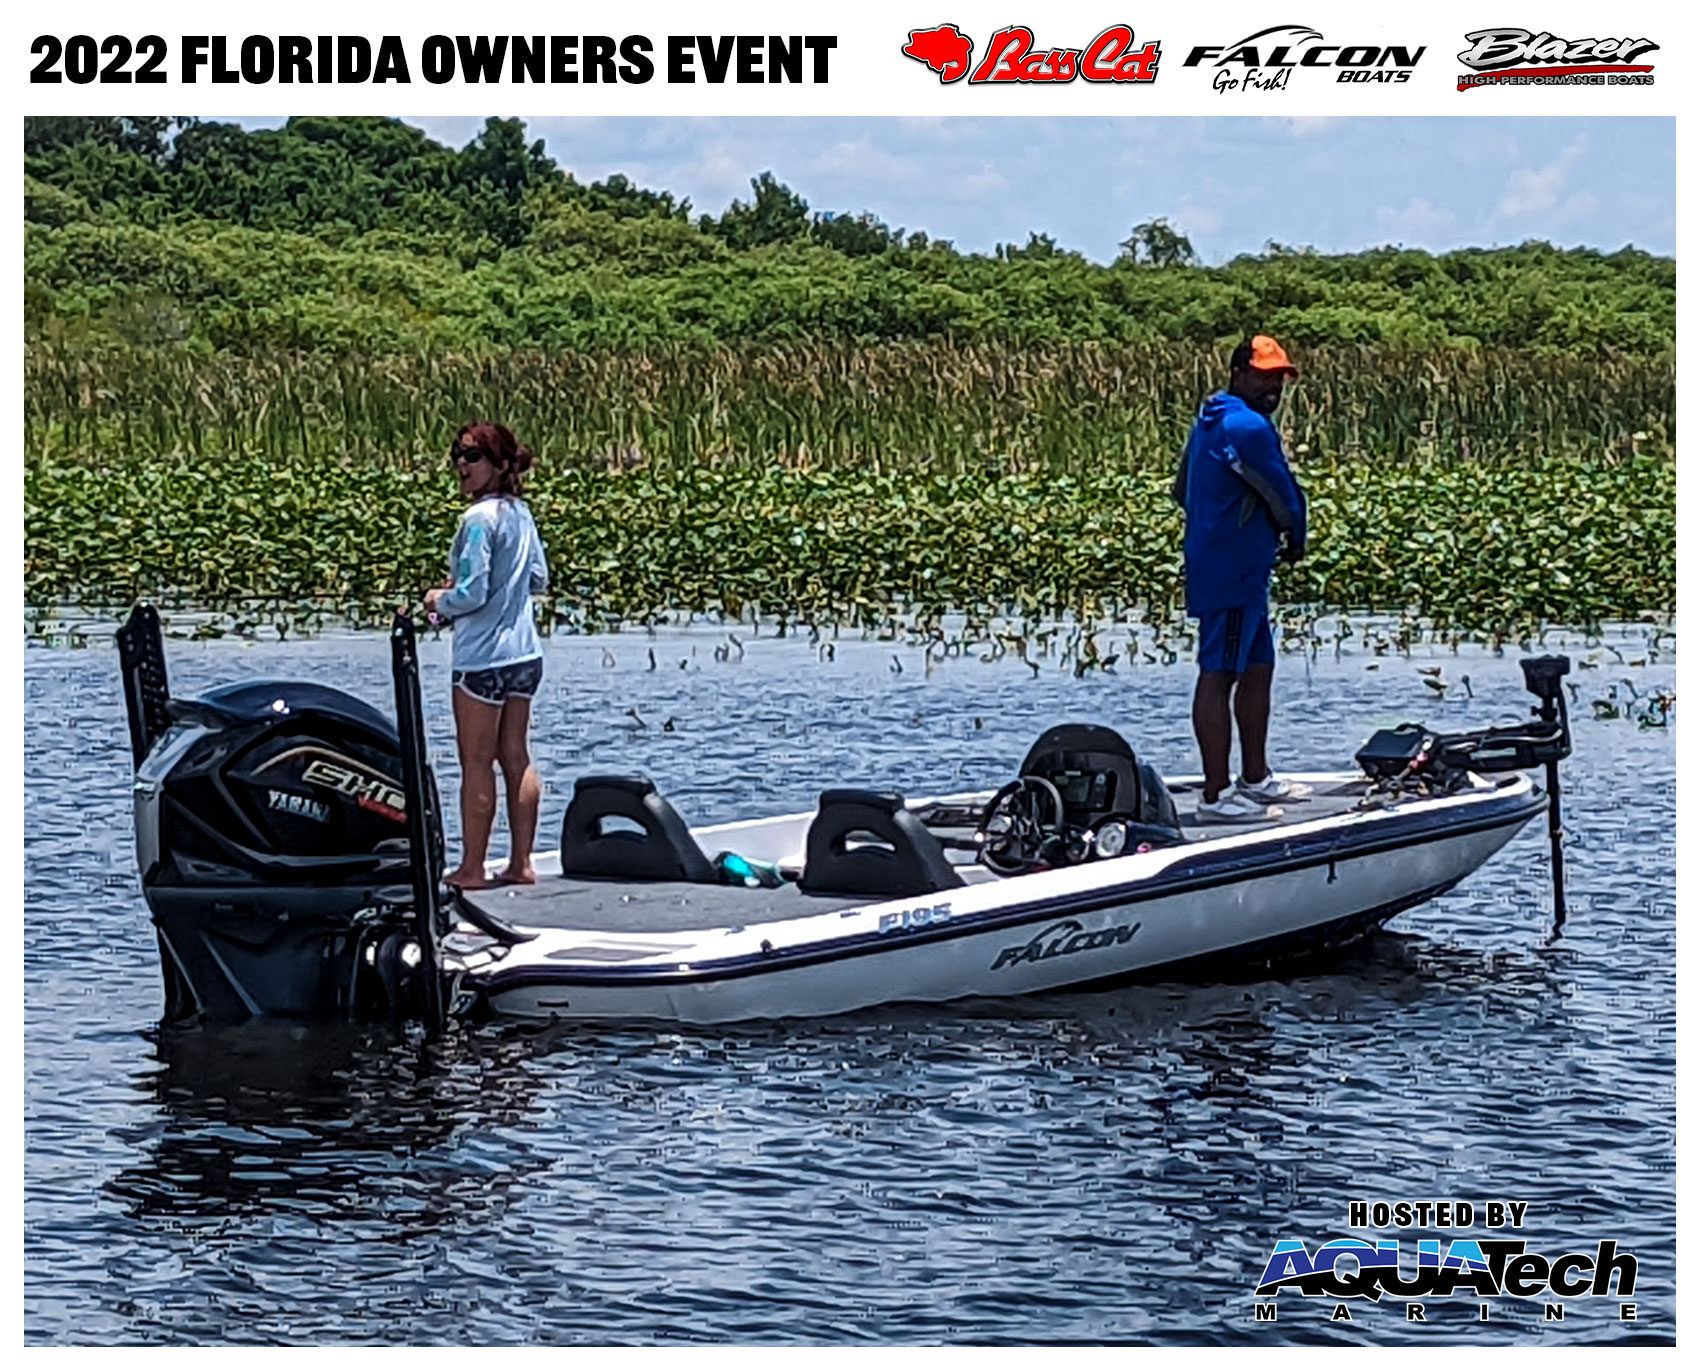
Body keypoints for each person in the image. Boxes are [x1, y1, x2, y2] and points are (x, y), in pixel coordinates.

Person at [1172, 335, 1310, 824]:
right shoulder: (1246, 426)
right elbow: (1283, 493)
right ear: (1238, 374)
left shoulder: (1209, 419)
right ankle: (1215, 797)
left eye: (1279, 378)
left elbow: (1180, 487)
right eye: (1264, 376)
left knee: (1257, 668)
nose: (1273, 387)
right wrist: (1296, 536)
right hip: (1231, 571)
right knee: (1220, 674)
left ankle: (1255, 778)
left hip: (1239, 567)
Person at [424, 422, 550, 888]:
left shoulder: (478, 519)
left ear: (500, 465)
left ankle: (472, 869)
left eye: (473, 456)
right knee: (516, 755)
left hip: (482, 660)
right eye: (457, 455)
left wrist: (439, 600)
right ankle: (521, 864)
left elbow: (472, 593)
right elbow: (538, 578)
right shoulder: (521, 513)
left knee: (476, 762)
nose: (462, 464)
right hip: (525, 655)